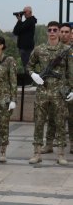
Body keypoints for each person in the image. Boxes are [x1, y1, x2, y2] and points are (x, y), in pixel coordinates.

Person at [27, 21, 73, 166]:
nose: (52, 32)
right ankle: (37, 153)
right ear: (47, 32)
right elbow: (29, 65)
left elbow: (71, 72)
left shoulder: (66, 50)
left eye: (55, 30)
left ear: (59, 32)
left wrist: (72, 89)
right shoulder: (39, 49)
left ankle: (60, 154)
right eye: (50, 30)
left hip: (59, 93)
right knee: (39, 122)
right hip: (42, 91)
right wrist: (33, 74)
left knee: (60, 123)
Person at [41, 23, 73, 154]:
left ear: (71, 33)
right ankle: (49, 144)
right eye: (63, 32)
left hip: (69, 88)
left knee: (71, 117)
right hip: (55, 89)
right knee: (52, 117)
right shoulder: (53, 48)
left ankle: (72, 144)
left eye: (67, 32)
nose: (64, 34)